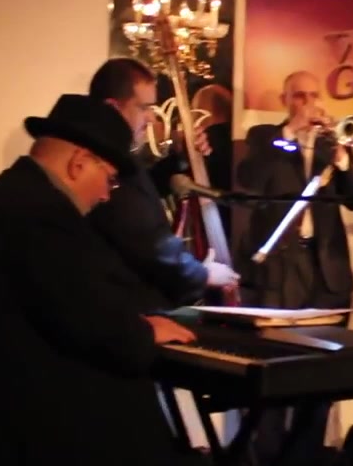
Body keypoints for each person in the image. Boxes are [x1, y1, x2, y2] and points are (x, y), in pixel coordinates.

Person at [0, 94, 223, 466]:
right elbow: (99, 328)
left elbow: (66, 304)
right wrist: (144, 331)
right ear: (78, 162)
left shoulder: (0, 199)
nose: (106, 194)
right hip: (30, 450)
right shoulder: (42, 216)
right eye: (109, 178)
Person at [86, 57, 239, 307]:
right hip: (124, 306)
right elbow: (144, 237)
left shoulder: (119, 155)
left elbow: (148, 186)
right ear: (113, 108)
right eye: (144, 108)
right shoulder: (101, 161)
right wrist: (202, 274)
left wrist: (181, 154)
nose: (150, 118)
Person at [236, 70, 353, 309]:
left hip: (327, 270)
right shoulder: (264, 136)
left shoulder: (331, 142)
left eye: (314, 96)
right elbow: (249, 180)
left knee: (333, 333)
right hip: (279, 267)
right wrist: (290, 130)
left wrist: (342, 159)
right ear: (284, 100)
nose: (308, 103)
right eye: (299, 96)